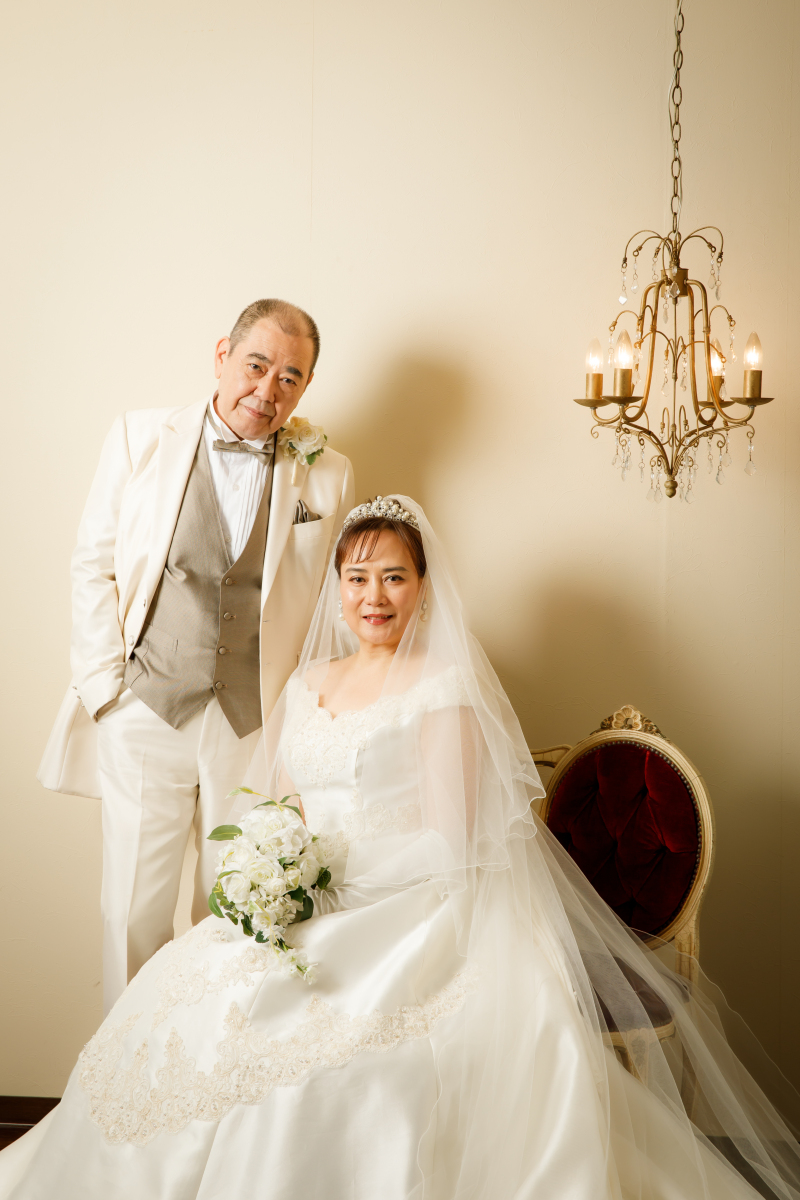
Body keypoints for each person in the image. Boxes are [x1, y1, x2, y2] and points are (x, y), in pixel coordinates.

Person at [6, 496, 800, 1199]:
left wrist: (330, 882)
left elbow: (451, 842)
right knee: (182, 1001)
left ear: (422, 587)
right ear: (337, 590)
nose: (373, 596)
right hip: (302, 900)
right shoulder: (307, 684)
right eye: (356, 578)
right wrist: (271, 873)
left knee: (325, 1053)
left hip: (411, 910)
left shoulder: (443, 687)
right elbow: (280, 806)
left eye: (393, 577)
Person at [37, 299, 354, 1013]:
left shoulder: (328, 474)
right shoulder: (139, 437)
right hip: (144, 708)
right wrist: (106, 692)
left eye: (290, 378)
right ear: (222, 355)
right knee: (131, 912)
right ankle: (125, 1074)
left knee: (235, 912)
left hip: (253, 723)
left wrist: (306, 727)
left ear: (306, 387)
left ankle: (207, 1071)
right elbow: (93, 565)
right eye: (256, 366)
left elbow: (326, 611)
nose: (268, 390)